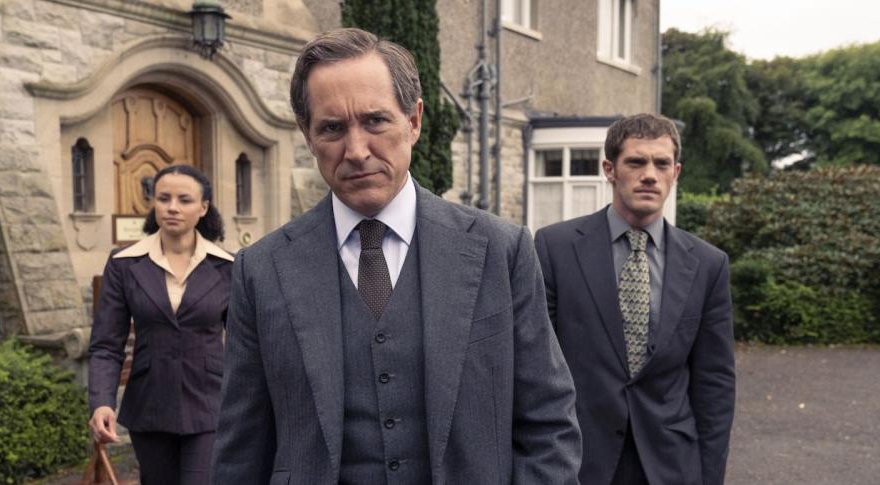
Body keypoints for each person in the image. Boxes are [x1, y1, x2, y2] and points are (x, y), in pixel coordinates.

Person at [211, 28, 581, 484]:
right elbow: (242, 446)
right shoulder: (261, 269)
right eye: (332, 128)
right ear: (307, 135)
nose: (357, 150)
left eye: (375, 121)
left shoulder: (500, 252)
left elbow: (549, 426)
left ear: (415, 121)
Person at [535, 114, 735, 485]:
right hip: (577, 459)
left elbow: (715, 384)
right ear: (609, 169)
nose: (649, 174)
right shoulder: (554, 248)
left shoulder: (709, 265)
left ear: (676, 172)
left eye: (661, 163)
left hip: (670, 463)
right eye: (636, 162)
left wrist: (710, 476)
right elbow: (534, 368)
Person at [87, 164, 233, 485]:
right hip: (149, 405)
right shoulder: (124, 263)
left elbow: (245, 346)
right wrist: (101, 402)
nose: (173, 208)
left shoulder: (228, 266)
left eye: (184, 200)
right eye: (164, 198)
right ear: (153, 203)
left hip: (209, 404)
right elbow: (106, 344)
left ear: (203, 207)